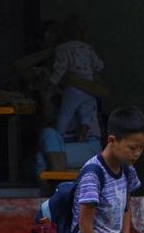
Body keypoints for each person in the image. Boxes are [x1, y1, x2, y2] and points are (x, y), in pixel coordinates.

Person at [13, 20, 109, 175]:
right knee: (47, 135)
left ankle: (58, 191)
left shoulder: (85, 71)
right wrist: (53, 51)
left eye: (62, 38)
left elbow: (103, 91)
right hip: (58, 142)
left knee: (40, 161)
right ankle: (60, 187)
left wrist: (70, 79)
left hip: (87, 143)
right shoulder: (45, 74)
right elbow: (18, 66)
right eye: (52, 38)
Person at [49, 14, 104, 142]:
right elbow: (99, 65)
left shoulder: (63, 49)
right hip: (88, 84)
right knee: (87, 112)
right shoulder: (88, 49)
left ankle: (59, 137)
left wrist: (52, 83)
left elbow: (60, 69)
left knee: (66, 112)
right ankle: (83, 134)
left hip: (73, 89)